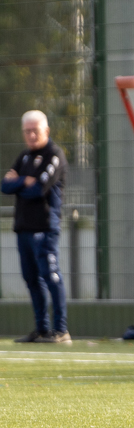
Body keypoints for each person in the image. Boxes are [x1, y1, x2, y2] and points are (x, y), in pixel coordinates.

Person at [2, 110, 69, 344]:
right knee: (31, 279)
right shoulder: (24, 157)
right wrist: (23, 181)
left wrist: (18, 182)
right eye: (27, 131)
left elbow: (38, 189)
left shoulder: (54, 155)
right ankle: (42, 329)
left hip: (45, 227)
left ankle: (61, 330)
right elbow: (4, 186)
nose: (31, 135)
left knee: (51, 276)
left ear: (46, 131)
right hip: (23, 228)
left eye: (35, 130)